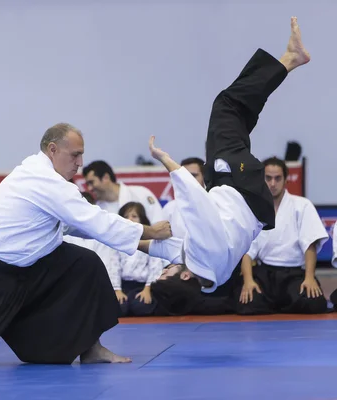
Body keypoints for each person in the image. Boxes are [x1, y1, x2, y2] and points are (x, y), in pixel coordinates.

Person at [0, 122, 172, 369]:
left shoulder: (46, 178)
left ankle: (91, 348)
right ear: (52, 149)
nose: (80, 163)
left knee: (84, 263)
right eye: (75, 155)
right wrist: (148, 230)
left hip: (27, 267)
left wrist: (143, 243)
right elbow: (94, 220)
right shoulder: (42, 179)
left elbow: (79, 226)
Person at [139, 17, 311, 311]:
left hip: (242, 194)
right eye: (167, 271)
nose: (165, 267)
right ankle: (289, 59)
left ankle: (289, 62)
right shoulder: (203, 249)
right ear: (183, 274)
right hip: (239, 186)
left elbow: (159, 248)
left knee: (237, 118)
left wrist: (102, 231)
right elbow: (193, 199)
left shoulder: (210, 275)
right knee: (226, 106)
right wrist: (164, 159)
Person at [236, 157, 328, 314]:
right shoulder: (253, 208)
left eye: (277, 178)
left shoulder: (302, 205)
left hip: (293, 274)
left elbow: (310, 244)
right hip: (265, 274)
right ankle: (279, 303)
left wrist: (310, 278)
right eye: (268, 178)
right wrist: (248, 280)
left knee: (314, 303)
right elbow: (247, 251)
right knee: (246, 303)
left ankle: (277, 303)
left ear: (286, 180)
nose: (272, 184)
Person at [82, 160, 164, 223]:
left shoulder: (141, 193)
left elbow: (158, 224)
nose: (89, 188)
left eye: (91, 182)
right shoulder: (96, 209)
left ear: (106, 178)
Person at [161, 157, 205, 239]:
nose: (188, 180)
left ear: (205, 177)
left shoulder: (214, 204)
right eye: (184, 176)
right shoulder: (170, 208)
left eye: (193, 176)